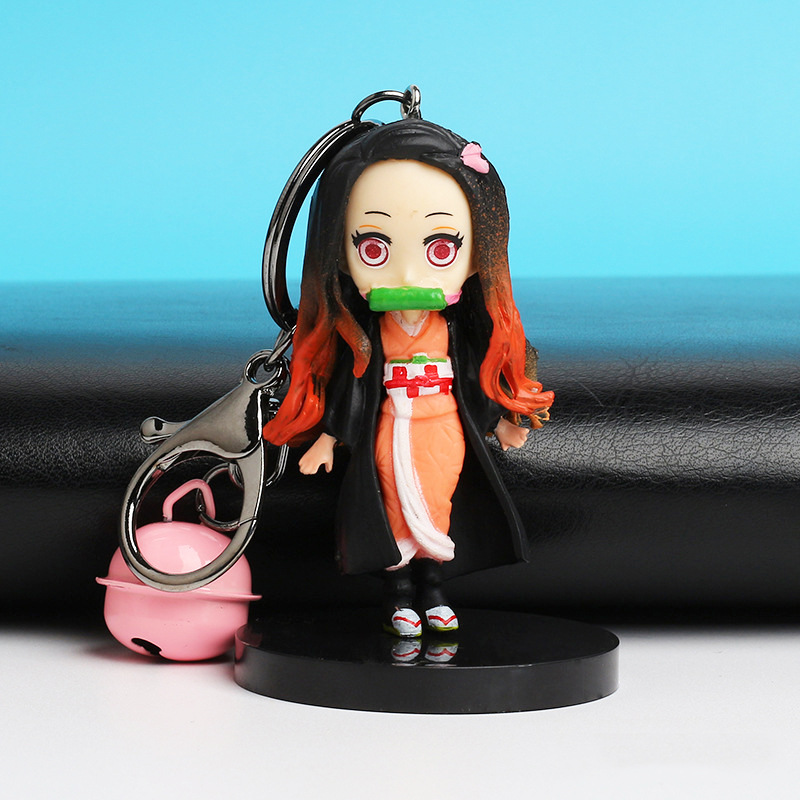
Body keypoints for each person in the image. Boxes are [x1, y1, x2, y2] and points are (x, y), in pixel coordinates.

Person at [263, 118, 553, 636]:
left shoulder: (460, 329)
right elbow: (355, 384)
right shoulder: (366, 333)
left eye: (440, 249)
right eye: (374, 249)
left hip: (442, 424)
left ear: (477, 252)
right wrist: (330, 437)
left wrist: (501, 419)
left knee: (438, 503)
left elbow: (474, 377)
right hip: (391, 423)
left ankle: (434, 592)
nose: (406, 274)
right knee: (392, 507)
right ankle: (398, 596)